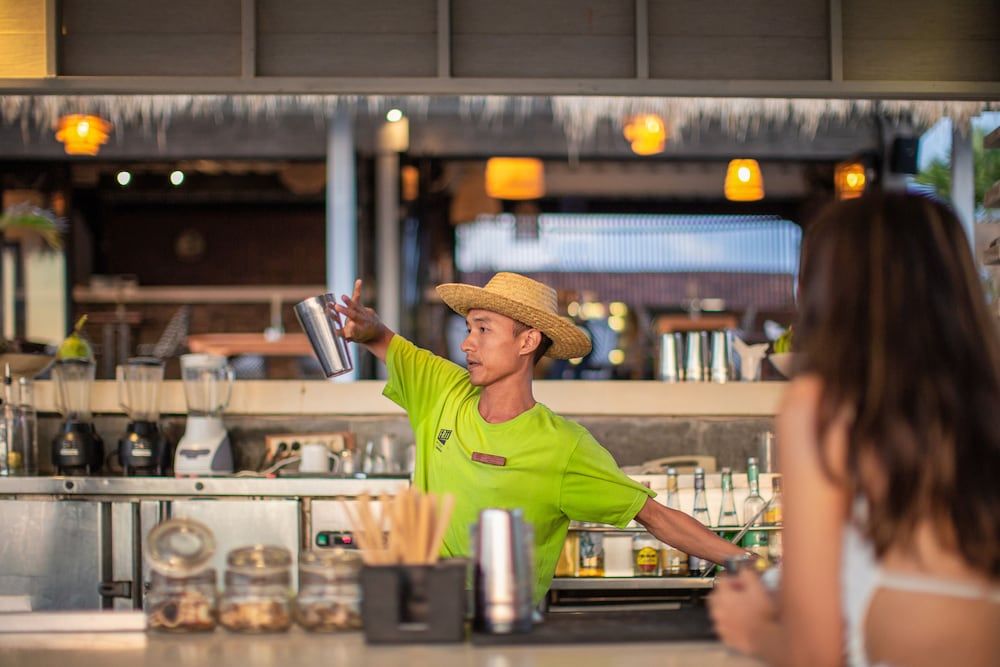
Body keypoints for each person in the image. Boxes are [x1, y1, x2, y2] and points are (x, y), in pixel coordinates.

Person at [708, 192, 1000, 666]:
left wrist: (751, 629)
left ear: (829, 290)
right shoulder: (982, 403)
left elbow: (814, 655)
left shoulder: (824, 407)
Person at [334, 271, 746, 604]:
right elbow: (383, 339)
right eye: (468, 328)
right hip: (417, 610)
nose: (466, 343)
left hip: (501, 629)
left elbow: (657, 518)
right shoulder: (443, 389)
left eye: (483, 329)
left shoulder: (564, 446)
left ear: (527, 341)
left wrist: (749, 563)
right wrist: (364, 326)